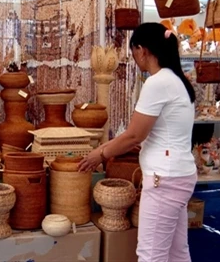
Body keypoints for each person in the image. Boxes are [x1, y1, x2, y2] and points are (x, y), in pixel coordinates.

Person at [78, 23, 197, 262]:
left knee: (150, 255)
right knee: (176, 252)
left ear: (142, 50)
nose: (135, 60)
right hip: (178, 175)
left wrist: (99, 154)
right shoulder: (177, 81)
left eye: (133, 53)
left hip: (164, 179)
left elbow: (134, 135)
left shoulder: (158, 82)